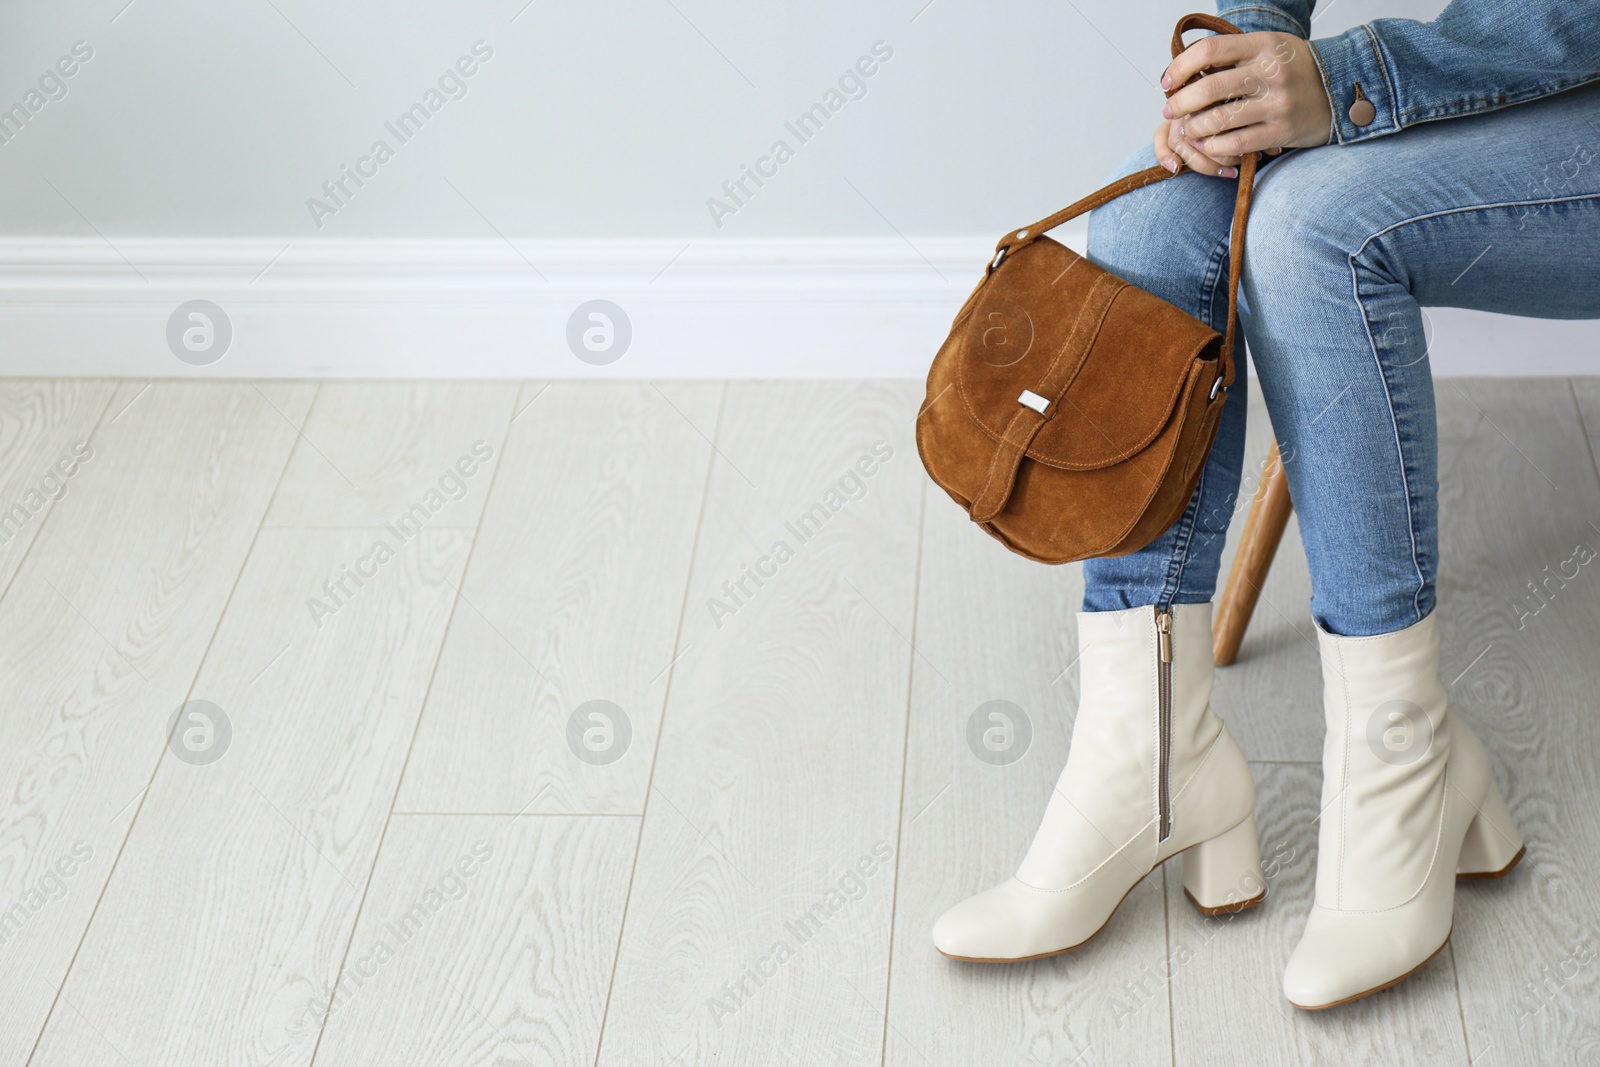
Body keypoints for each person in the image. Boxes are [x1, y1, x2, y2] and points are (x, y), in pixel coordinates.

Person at [932, 0, 1600, 1009]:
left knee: (1313, 225)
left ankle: (1401, 755)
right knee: (1157, 209)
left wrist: (1353, 77)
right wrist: (1222, 72)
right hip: (1515, 73)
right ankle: (1151, 753)